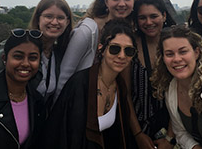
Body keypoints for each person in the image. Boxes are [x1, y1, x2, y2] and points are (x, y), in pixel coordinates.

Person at [39, 19, 137, 149]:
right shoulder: (79, 84)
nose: (122, 56)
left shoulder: (120, 88)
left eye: (129, 51)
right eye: (115, 49)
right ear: (101, 48)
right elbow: (61, 134)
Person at [0, 0, 74, 106]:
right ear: (38, 19)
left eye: (60, 18)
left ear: (67, 22)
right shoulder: (15, 45)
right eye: (48, 16)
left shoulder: (59, 54)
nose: (54, 22)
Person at [53, 0, 137, 102]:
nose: (122, 3)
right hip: (80, 102)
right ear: (106, 1)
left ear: (134, 0)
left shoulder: (129, 30)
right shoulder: (87, 31)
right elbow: (65, 76)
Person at [125, 0, 177, 149]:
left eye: (154, 16)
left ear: (164, 15)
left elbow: (184, 92)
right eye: (142, 18)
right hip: (138, 127)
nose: (148, 22)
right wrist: (138, 134)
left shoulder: (176, 45)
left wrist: (170, 137)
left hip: (174, 127)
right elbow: (126, 94)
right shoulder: (130, 46)